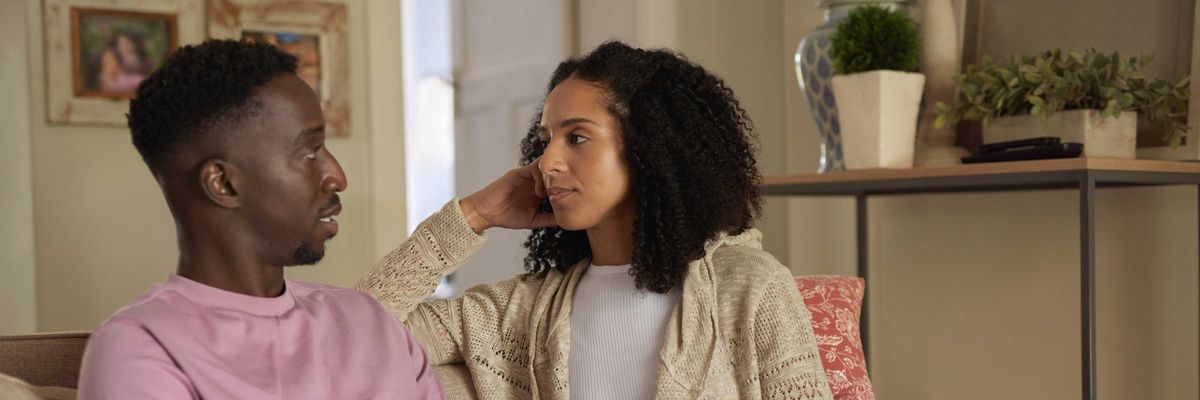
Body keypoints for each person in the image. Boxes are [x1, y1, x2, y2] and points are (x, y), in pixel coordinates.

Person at [357, 41, 834, 399]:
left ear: (650, 148)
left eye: (577, 138)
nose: (548, 162)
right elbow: (350, 340)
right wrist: (474, 215)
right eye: (545, 140)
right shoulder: (518, 313)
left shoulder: (750, 288)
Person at [78, 39, 444, 399]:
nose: (337, 177)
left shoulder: (370, 321)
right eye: (310, 151)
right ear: (223, 184)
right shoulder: (142, 351)